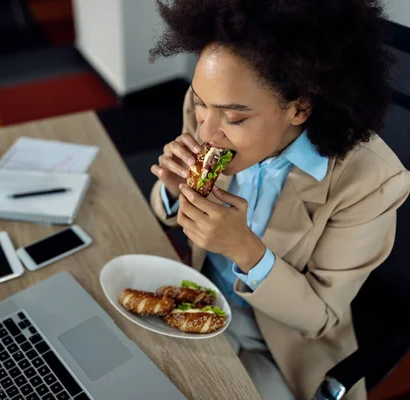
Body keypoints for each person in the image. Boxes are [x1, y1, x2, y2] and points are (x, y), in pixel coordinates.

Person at [148, 1, 410, 399]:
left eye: (234, 119)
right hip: (203, 294)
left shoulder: (370, 183)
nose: (207, 132)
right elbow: (173, 213)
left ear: (299, 107)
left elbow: (319, 318)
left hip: (280, 346)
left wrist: (245, 250)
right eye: (201, 103)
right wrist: (171, 188)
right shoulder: (210, 105)